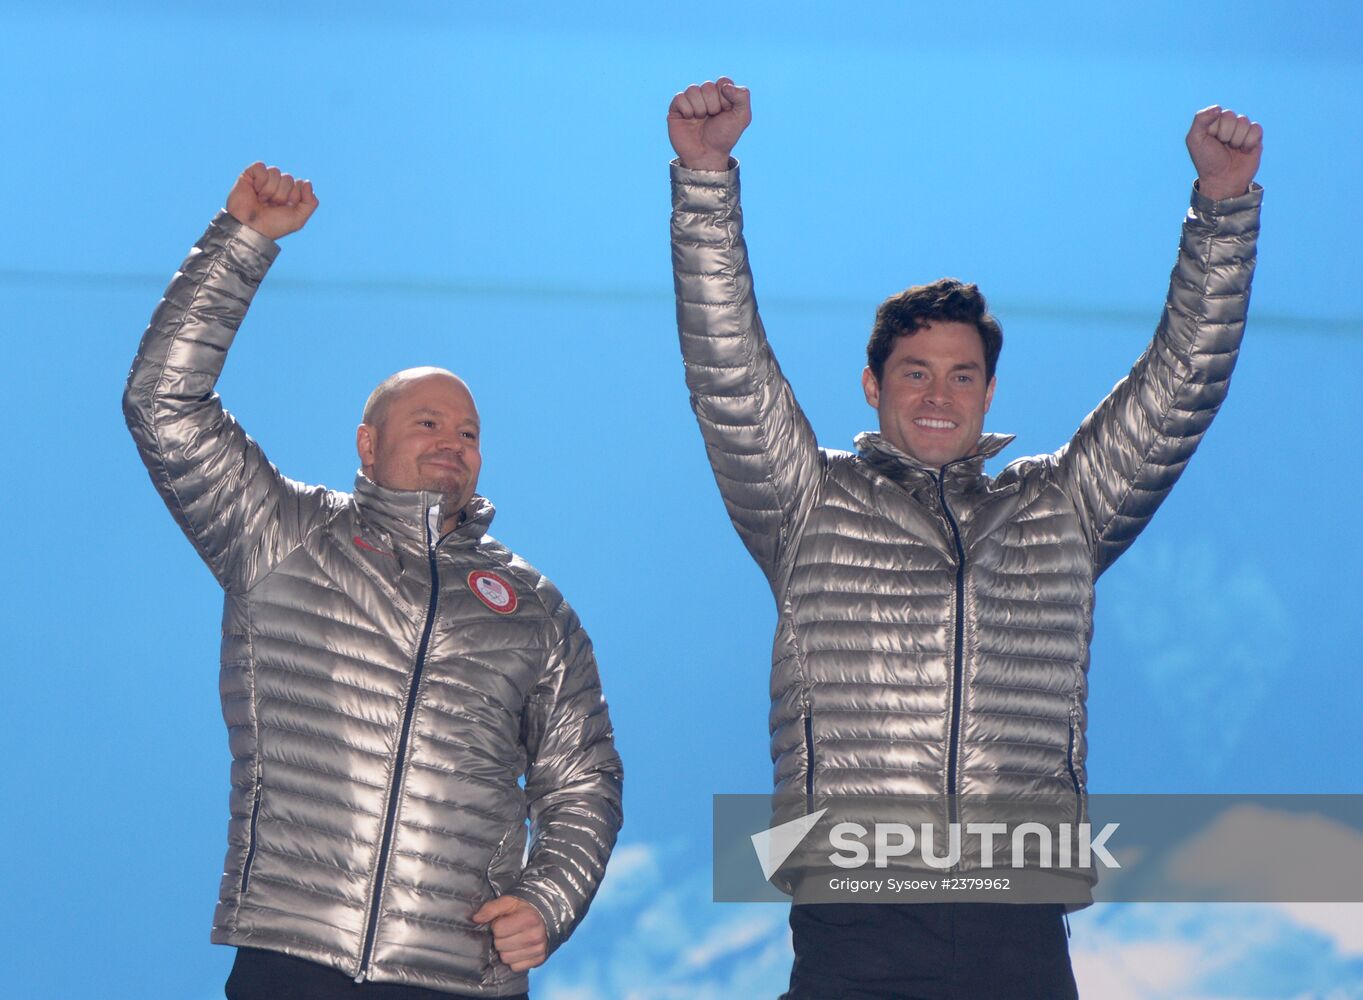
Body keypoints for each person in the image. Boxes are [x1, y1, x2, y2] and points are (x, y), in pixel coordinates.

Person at [667, 78, 1261, 998]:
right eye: (914, 373)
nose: (938, 395)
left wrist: (1220, 209)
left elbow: (1181, 387)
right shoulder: (807, 502)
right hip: (855, 908)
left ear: (988, 394)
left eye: (961, 375)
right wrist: (704, 177)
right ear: (872, 386)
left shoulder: (1060, 506)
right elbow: (728, 371)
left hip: (1016, 915)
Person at [124, 163, 623, 999]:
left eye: (467, 431)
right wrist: (241, 243)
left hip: (462, 975)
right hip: (294, 955)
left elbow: (584, 782)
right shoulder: (281, 535)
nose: (451, 441)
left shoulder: (534, 609)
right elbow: (164, 404)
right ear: (366, 444)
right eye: (425, 422)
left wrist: (549, 898)